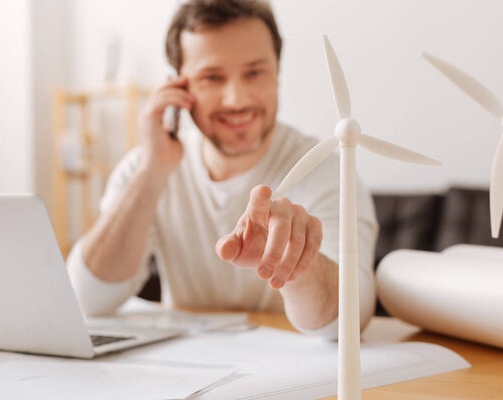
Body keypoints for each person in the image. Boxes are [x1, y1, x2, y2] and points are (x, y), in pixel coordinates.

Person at [67, 0, 377, 338]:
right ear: (177, 86)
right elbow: (85, 298)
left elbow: (352, 316)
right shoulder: (147, 167)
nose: (236, 99)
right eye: (212, 77)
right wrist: (152, 173)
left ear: (277, 73)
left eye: (255, 72)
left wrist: (295, 261)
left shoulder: (326, 168)